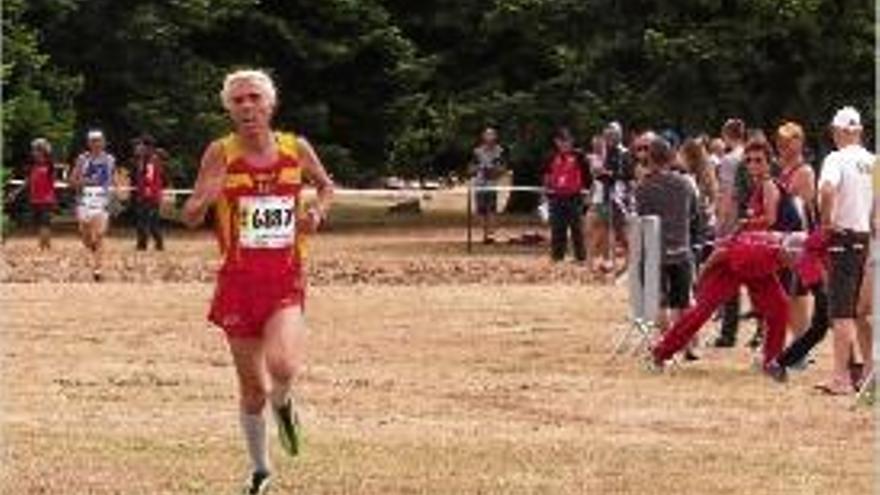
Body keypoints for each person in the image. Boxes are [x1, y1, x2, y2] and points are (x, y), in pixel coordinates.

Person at [181, 69, 334, 494]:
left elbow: (325, 188)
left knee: (282, 366)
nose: (247, 106)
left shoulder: (295, 148)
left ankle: (284, 405)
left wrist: (317, 212)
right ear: (229, 109)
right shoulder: (219, 153)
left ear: (270, 104)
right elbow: (190, 216)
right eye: (238, 101)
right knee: (251, 389)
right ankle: (261, 471)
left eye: (254, 98)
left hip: (285, 277)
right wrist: (204, 200)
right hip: (237, 283)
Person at [649, 229, 828, 377]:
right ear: (787, 252)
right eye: (797, 262)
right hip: (727, 269)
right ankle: (661, 352)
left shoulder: (784, 250)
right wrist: (701, 278)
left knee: (779, 308)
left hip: (759, 271)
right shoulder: (757, 252)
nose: (798, 266)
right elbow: (719, 254)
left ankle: (771, 362)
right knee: (701, 312)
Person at [814, 106, 875, 395]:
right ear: (859, 131)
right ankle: (870, 373)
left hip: (844, 239)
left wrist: (826, 221)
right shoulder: (873, 161)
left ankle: (841, 378)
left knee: (842, 313)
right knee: (864, 312)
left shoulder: (835, 159)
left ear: (838, 132)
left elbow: (827, 190)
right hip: (868, 240)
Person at [635, 135, 700, 338]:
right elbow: (694, 214)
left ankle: (666, 343)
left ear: (650, 159)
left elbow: (641, 218)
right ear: (671, 158)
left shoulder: (643, 187)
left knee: (660, 302)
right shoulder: (685, 183)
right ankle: (686, 343)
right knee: (683, 302)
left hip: (656, 252)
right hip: (681, 250)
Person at [713, 118, 747, 348]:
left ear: (726, 135)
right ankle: (761, 331)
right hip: (754, 221)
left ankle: (728, 332)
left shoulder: (729, 160)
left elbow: (727, 195)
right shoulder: (751, 155)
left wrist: (721, 224)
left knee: (730, 277)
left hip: (734, 223)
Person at [70, 129, 116, 281]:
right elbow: (73, 180)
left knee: (99, 235)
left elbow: (112, 180)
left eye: (99, 140)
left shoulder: (110, 159)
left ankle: (97, 269)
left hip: (101, 200)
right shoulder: (82, 159)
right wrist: (81, 182)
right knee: (86, 237)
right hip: (84, 200)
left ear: (104, 142)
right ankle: (94, 251)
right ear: (89, 143)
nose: (96, 143)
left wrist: (112, 196)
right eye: (93, 140)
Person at [543, 127, 589, 262]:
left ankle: (580, 257)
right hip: (556, 197)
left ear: (572, 141)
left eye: (567, 141)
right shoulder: (551, 156)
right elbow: (547, 175)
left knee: (577, 228)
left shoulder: (579, 156)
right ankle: (557, 257)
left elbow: (587, 177)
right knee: (557, 228)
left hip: (574, 197)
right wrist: (546, 193)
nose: (564, 144)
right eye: (561, 141)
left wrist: (587, 194)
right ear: (556, 142)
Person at [471, 127, 506, 244]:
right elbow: (471, 168)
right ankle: (484, 234)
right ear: (483, 136)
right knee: (481, 210)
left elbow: (502, 168)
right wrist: (479, 169)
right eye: (487, 135)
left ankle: (491, 234)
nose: (489, 137)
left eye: (492, 135)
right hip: (479, 184)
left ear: (495, 137)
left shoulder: (499, 151)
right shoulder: (477, 151)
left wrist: (494, 171)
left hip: (492, 184)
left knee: (491, 209)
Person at [132, 135, 165, 251]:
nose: (137, 147)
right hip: (146, 195)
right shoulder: (143, 160)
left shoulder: (151, 160)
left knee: (149, 221)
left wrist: (145, 195)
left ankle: (150, 244)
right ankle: (145, 243)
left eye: (139, 145)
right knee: (146, 220)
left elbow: (149, 179)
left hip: (150, 196)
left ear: (147, 147)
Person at [25, 138, 58, 250]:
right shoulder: (33, 167)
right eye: (33, 151)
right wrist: (15, 193)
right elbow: (28, 182)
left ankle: (43, 245)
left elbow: (53, 182)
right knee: (40, 223)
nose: (34, 153)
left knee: (45, 223)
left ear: (43, 152)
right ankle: (46, 244)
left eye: (36, 150)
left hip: (46, 200)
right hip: (35, 199)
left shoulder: (50, 167)